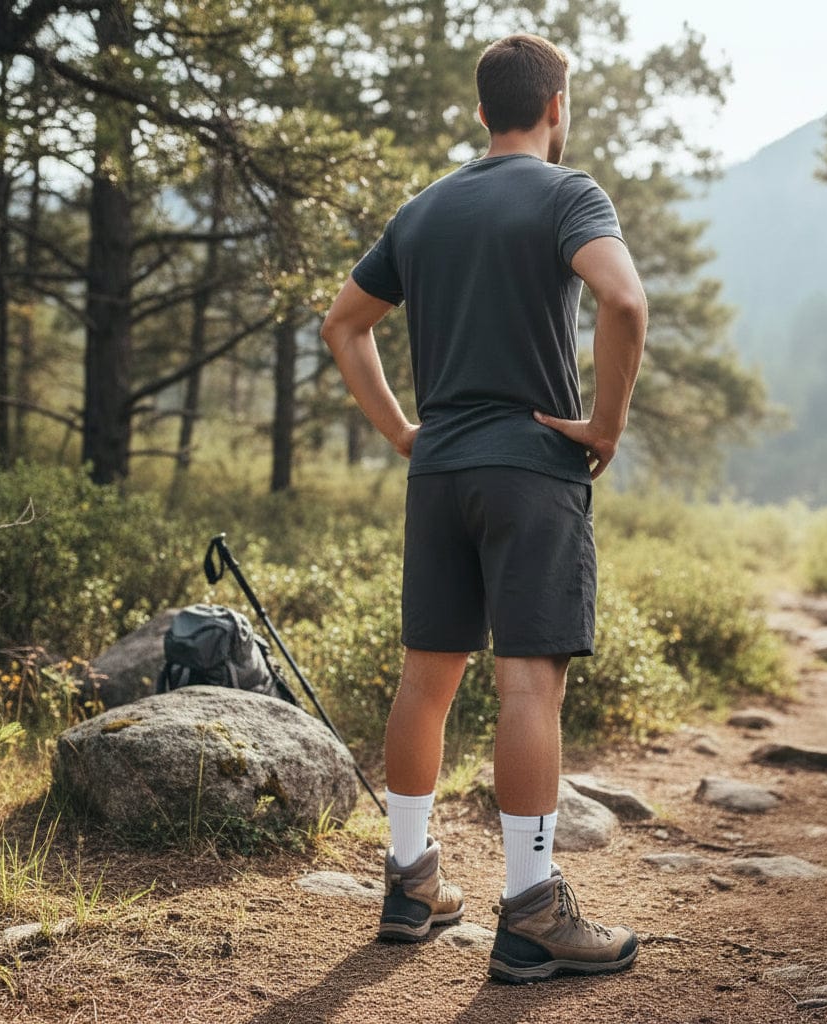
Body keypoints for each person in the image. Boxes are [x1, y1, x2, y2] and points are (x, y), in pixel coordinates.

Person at [320, 32, 647, 984]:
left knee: (427, 678)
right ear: (555, 107)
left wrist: (403, 432)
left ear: (479, 112)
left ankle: (409, 883)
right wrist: (605, 425)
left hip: (440, 473)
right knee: (528, 685)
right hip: (532, 469)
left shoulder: (423, 210)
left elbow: (343, 324)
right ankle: (533, 911)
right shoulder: (568, 194)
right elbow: (624, 302)